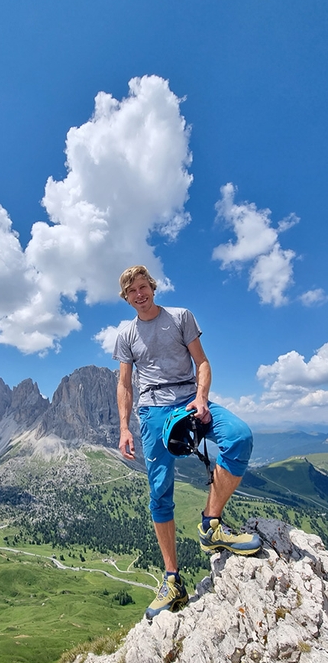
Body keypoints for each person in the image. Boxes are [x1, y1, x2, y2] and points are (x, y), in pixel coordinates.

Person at [113, 265, 261, 621]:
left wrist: (202, 398)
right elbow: (125, 384)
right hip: (152, 413)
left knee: (239, 437)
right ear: (126, 298)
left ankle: (211, 525)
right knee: (160, 491)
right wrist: (124, 427)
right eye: (131, 290)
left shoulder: (180, 317)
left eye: (143, 286)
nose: (139, 294)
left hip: (190, 402)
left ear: (153, 287)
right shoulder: (126, 333)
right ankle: (172, 581)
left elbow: (203, 362)